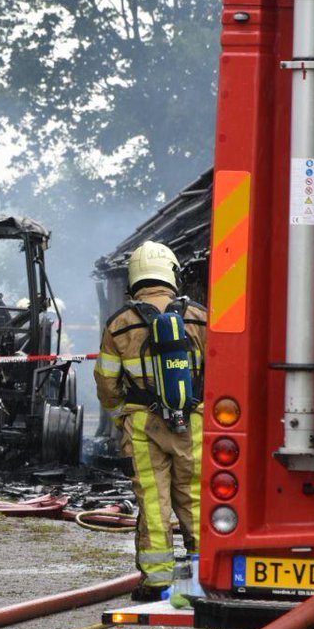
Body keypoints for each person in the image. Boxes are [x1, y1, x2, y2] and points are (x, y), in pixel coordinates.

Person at [94, 241, 207, 602]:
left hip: (143, 426)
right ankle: (207, 577)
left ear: (134, 279)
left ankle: (158, 582)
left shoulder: (119, 326)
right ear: (172, 274)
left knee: (154, 504)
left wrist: (120, 418)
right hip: (194, 424)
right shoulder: (199, 318)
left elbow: (107, 383)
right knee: (196, 498)